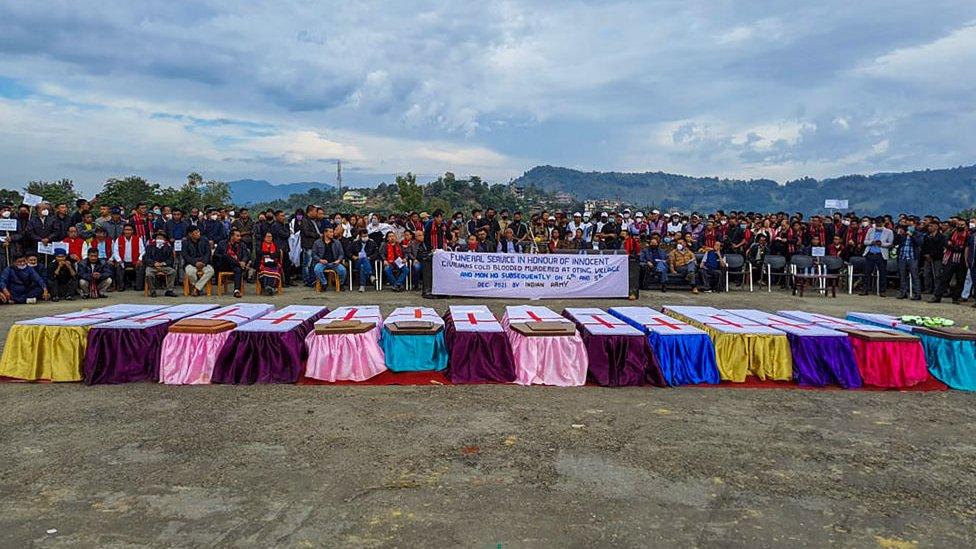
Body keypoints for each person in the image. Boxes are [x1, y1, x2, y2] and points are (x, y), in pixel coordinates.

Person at [930, 220, 970, 304]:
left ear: (965, 226)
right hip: (950, 258)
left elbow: (967, 246)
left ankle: (956, 298)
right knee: (944, 278)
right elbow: (945, 242)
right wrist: (951, 246)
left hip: (961, 260)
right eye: (958, 224)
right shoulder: (952, 233)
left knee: (960, 280)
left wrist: (960, 249)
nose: (960, 226)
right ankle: (937, 296)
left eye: (962, 225)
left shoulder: (968, 235)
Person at [860, 217, 893, 297]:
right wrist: (872, 242)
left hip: (881, 255)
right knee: (867, 272)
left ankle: (882, 291)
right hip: (870, 253)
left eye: (880, 223)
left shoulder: (889, 231)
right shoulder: (870, 230)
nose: (878, 224)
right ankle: (865, 289)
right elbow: (865, 241)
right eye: (877, 222)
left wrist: (881, 244)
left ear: (883, 223)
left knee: (882, 273)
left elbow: (890, 243)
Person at [213, 229, 250, 298]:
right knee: (226, 256)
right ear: (232, 236)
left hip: (236, 266)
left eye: (240, 236)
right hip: (224, 265)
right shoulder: (222, 243)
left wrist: (244, 261)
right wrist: (239, 263)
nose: (240, 238)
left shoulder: (242, 244)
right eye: (238, 236)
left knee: (238, 269)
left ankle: (236, 290)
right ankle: (239, 265)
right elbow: (216, 255)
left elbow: (246, 255)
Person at [144, 230, 177, 297]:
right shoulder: (149, 247)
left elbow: (171, 259)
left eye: (161, 238)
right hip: (152, 266)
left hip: (164, 266)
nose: (159, 239)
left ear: (164, 239)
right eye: (158, 238)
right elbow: (146, 258)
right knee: (148, 273)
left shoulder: (169, 248)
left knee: (172, 271)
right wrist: (154, 263)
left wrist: (163, 263)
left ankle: (169, 290)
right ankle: (152, 291)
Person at [181, 226, 214, 296]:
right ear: (190, 234)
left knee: (210, 271)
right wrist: (195, 263)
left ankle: (196, 288)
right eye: (196, 233)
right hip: (191, 263)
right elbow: (185, 256)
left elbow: (208, 253)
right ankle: (199, 288)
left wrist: (203, 263)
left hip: (204, 263)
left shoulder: (204, 240)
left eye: (199, 232)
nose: (198, 234)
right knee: (190, 272)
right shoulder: (185, 242)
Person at [112, 224, 145, 291]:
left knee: (141, 266)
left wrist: (139, 259)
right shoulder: (119, 239)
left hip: (135, 261)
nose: (127, 232)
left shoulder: (138, 239)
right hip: (123, 261)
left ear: (132, 231)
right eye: (126, 230)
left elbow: (143, 251)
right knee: (118, 266)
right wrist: (119, 260)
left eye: (129, 230)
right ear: (123, 231)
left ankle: (139, 286)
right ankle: (121, 287)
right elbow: (115, 252)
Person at [894, 225, 922, 300]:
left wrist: (912, 236)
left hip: (912, 257)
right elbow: (895, 242)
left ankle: (917, 294)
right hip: (902, 257)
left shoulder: (917, 235)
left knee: (914, 275)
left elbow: (919, 243)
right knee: (902, 276)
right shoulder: (902, 236)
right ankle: (903, 292)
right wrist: (899, 234)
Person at [920, 221, 946, 294]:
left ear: (936, 227)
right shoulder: (926, 236)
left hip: (937, 258)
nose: (929, 228)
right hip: (927, 258)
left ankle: (937, 290)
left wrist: (932, 255)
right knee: (927, 274)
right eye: (929, 226)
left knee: (937, 275)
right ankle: (928, 288)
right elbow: (923, 246)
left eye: (931, 226)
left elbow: (940, 248)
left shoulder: (941, 237)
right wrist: (925, 254)